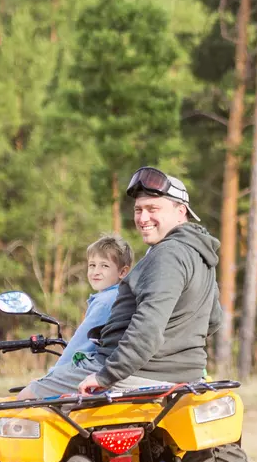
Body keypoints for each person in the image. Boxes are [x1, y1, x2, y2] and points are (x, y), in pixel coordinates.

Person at [19, 167, 222, 400]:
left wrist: (107, 375)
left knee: (25, 401)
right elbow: (213, 319)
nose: (143, 218)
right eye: (138, 210)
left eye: (153, 209)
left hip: (133, 373)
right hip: (186, 374)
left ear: (180, 211)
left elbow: (148, 327)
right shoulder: (199, 253)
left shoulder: (168, 254)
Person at [48, 234, 133, 372]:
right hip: (117, 366)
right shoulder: (122, 294)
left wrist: (54, 373)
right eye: (92, 265)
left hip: (101, 368)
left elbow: (80, 344)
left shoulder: (105, 302)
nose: (96, 272)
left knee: (30, 392)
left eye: (104, 266)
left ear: (123, 271)